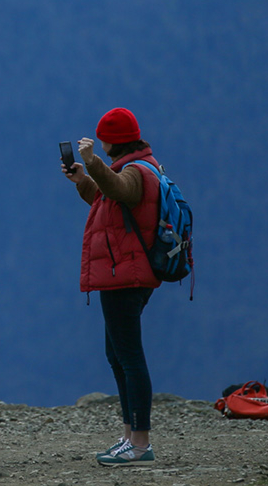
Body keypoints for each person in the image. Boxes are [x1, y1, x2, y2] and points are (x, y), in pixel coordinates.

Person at [62, 107, 162, 467]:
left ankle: (140, 443)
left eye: (102, 138)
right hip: (124, 273)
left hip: (126, 276)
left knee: (130, 358)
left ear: (111, 142)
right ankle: (128, 436)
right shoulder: (135, 168)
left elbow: (119, 190)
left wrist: (92, 165)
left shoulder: (134, 171)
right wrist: (84, 181)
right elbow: (112, 203)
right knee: (117, 356)